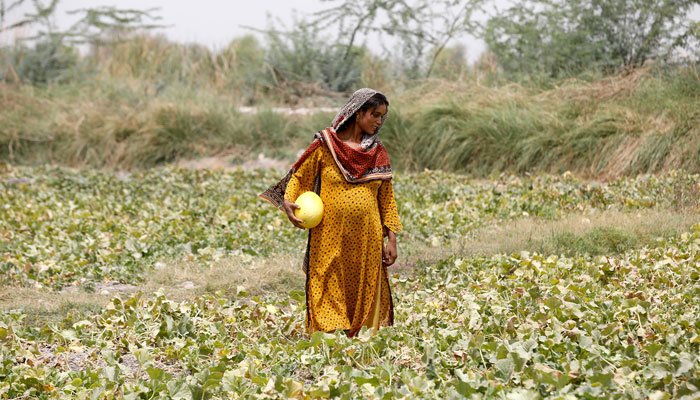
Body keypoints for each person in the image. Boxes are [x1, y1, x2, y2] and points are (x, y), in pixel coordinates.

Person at [259, 88, 402, 337]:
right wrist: (289, 202)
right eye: (375, 115)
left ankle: (357, 336)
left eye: (382, 117)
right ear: (358, 113)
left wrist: (391, 238)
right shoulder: (326, 145)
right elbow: (300, 176)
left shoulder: (377, 151)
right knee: (327, 280)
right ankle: (331, 337)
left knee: (361, 285)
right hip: (329, 236)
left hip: (367, 238)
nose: (380, 122)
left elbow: (386, 197)